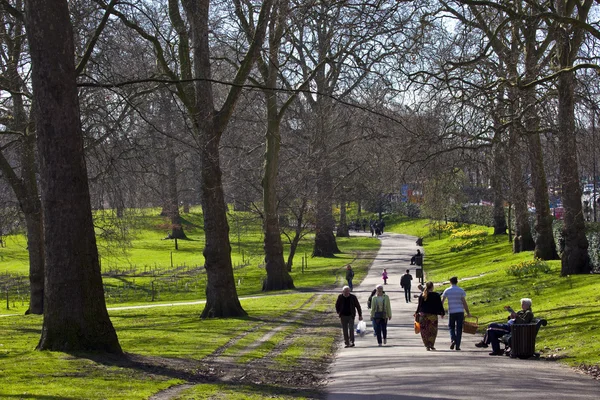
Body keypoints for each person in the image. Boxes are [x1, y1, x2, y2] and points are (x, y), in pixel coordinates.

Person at [441, 276, 471, 351]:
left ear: (450, 282)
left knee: (451, 327)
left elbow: (442, 301)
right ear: (457, 282)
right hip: (460, 311)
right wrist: (468, 312)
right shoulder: (461, 291)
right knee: (459, 328)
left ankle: (453, 339)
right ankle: (457, 345)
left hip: (452, 311)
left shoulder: (447, 290)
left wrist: (441, 312)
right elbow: (464, 302)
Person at [415, 281, 445, 351]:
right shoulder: (436, 295)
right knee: (433, 330)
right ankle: (431, 344)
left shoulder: (422, 295)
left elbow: (419, 305)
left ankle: (427, 345)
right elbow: (439, 305)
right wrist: (442, 312)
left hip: (423, 315)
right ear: (432, 287)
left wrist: (416, 313)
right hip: (432, 315)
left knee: (424, 330)